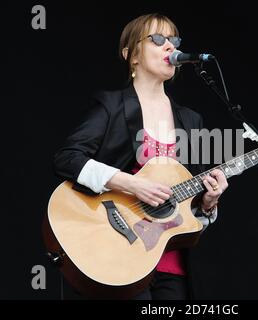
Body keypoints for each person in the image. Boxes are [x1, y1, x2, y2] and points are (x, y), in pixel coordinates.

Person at [53, 13, 228, 300]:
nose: (170, 47)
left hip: (172, 264)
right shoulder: (111, 106)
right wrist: (131, 184)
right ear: (131, 55)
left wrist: (209, 204)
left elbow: (189, 207)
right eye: (158, 39)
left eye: (174, 40)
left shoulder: (191, 119)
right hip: (119, 255)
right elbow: (67, 158)